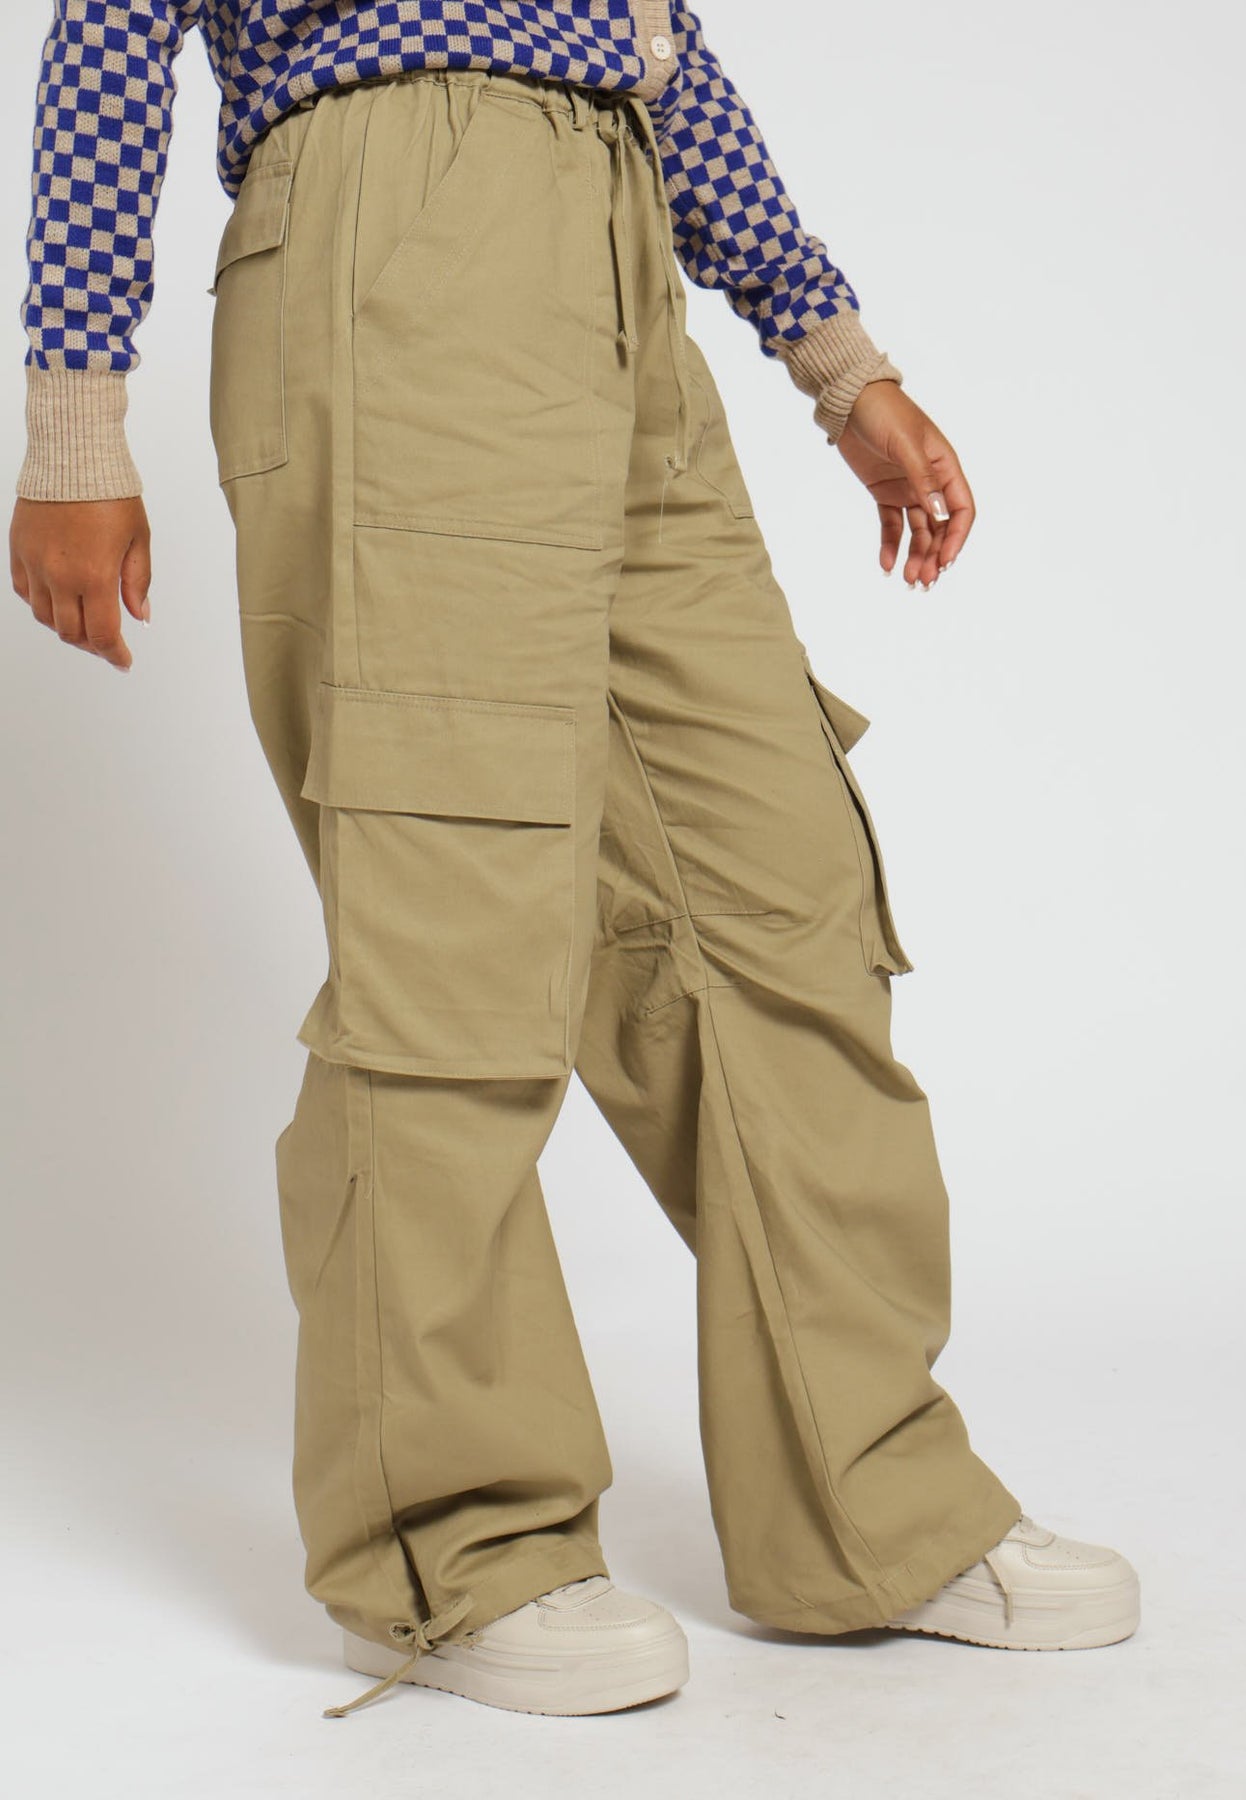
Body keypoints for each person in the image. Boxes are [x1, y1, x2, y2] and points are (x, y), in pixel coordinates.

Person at [9, 3, 1141, 1721]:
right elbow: (110, 22)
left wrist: (840, 362)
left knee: (772, 892)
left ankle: (869, 1509)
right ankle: (453, 1549)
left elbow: (656, 37)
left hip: (618, 248)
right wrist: (76, 421)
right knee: (453, 914)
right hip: (393, 227)